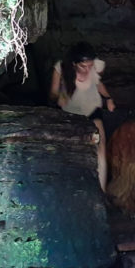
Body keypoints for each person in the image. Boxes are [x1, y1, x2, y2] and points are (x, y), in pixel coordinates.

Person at [49, 42, 115, 190]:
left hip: (92, 111)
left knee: (100, 146)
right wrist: (59, 97)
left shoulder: (95, 66)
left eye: (90, 65)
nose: (87, 69)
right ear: (74, 64)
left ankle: (102, 190)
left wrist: (108, 98)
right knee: (72, 148)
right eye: (83, 66)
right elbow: (53, 93)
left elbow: (98, 83)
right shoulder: (61, 68)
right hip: (71, 114)